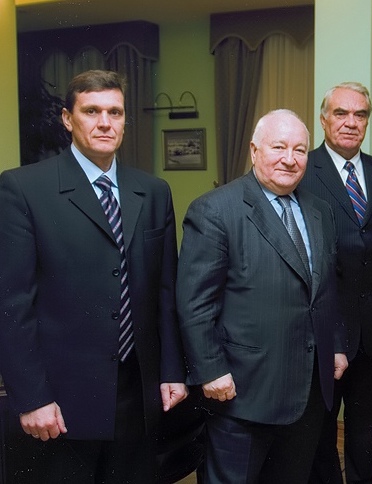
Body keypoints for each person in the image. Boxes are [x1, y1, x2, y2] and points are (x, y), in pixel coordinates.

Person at [0, 69, 188, 483]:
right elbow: (12, 305)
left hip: (138, 394)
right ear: (68, 119)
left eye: (115, 112)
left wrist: (172, 371)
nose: (105, 122)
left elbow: (165, 292)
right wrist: (32, 397)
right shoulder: (24, 189)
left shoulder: (153, 192)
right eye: (91, 111)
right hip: (60, 402)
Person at [176, 109, 349, 484]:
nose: (290, 158)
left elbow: (325, 289)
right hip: (241, 393)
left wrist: (335, 344)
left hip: (307, 393)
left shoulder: (320, 211)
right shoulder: (215, 210)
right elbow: (194, 303)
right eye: (279, 147)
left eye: (299, 150)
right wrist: (210, 370)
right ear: (254, 151)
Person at [300, 81, 372, 484]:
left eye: (360, 114)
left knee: (367, 433)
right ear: (323, 119)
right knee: (319, 434)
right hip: (321, 333)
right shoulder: (301, 170)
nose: (351, 122)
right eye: (341, 113)